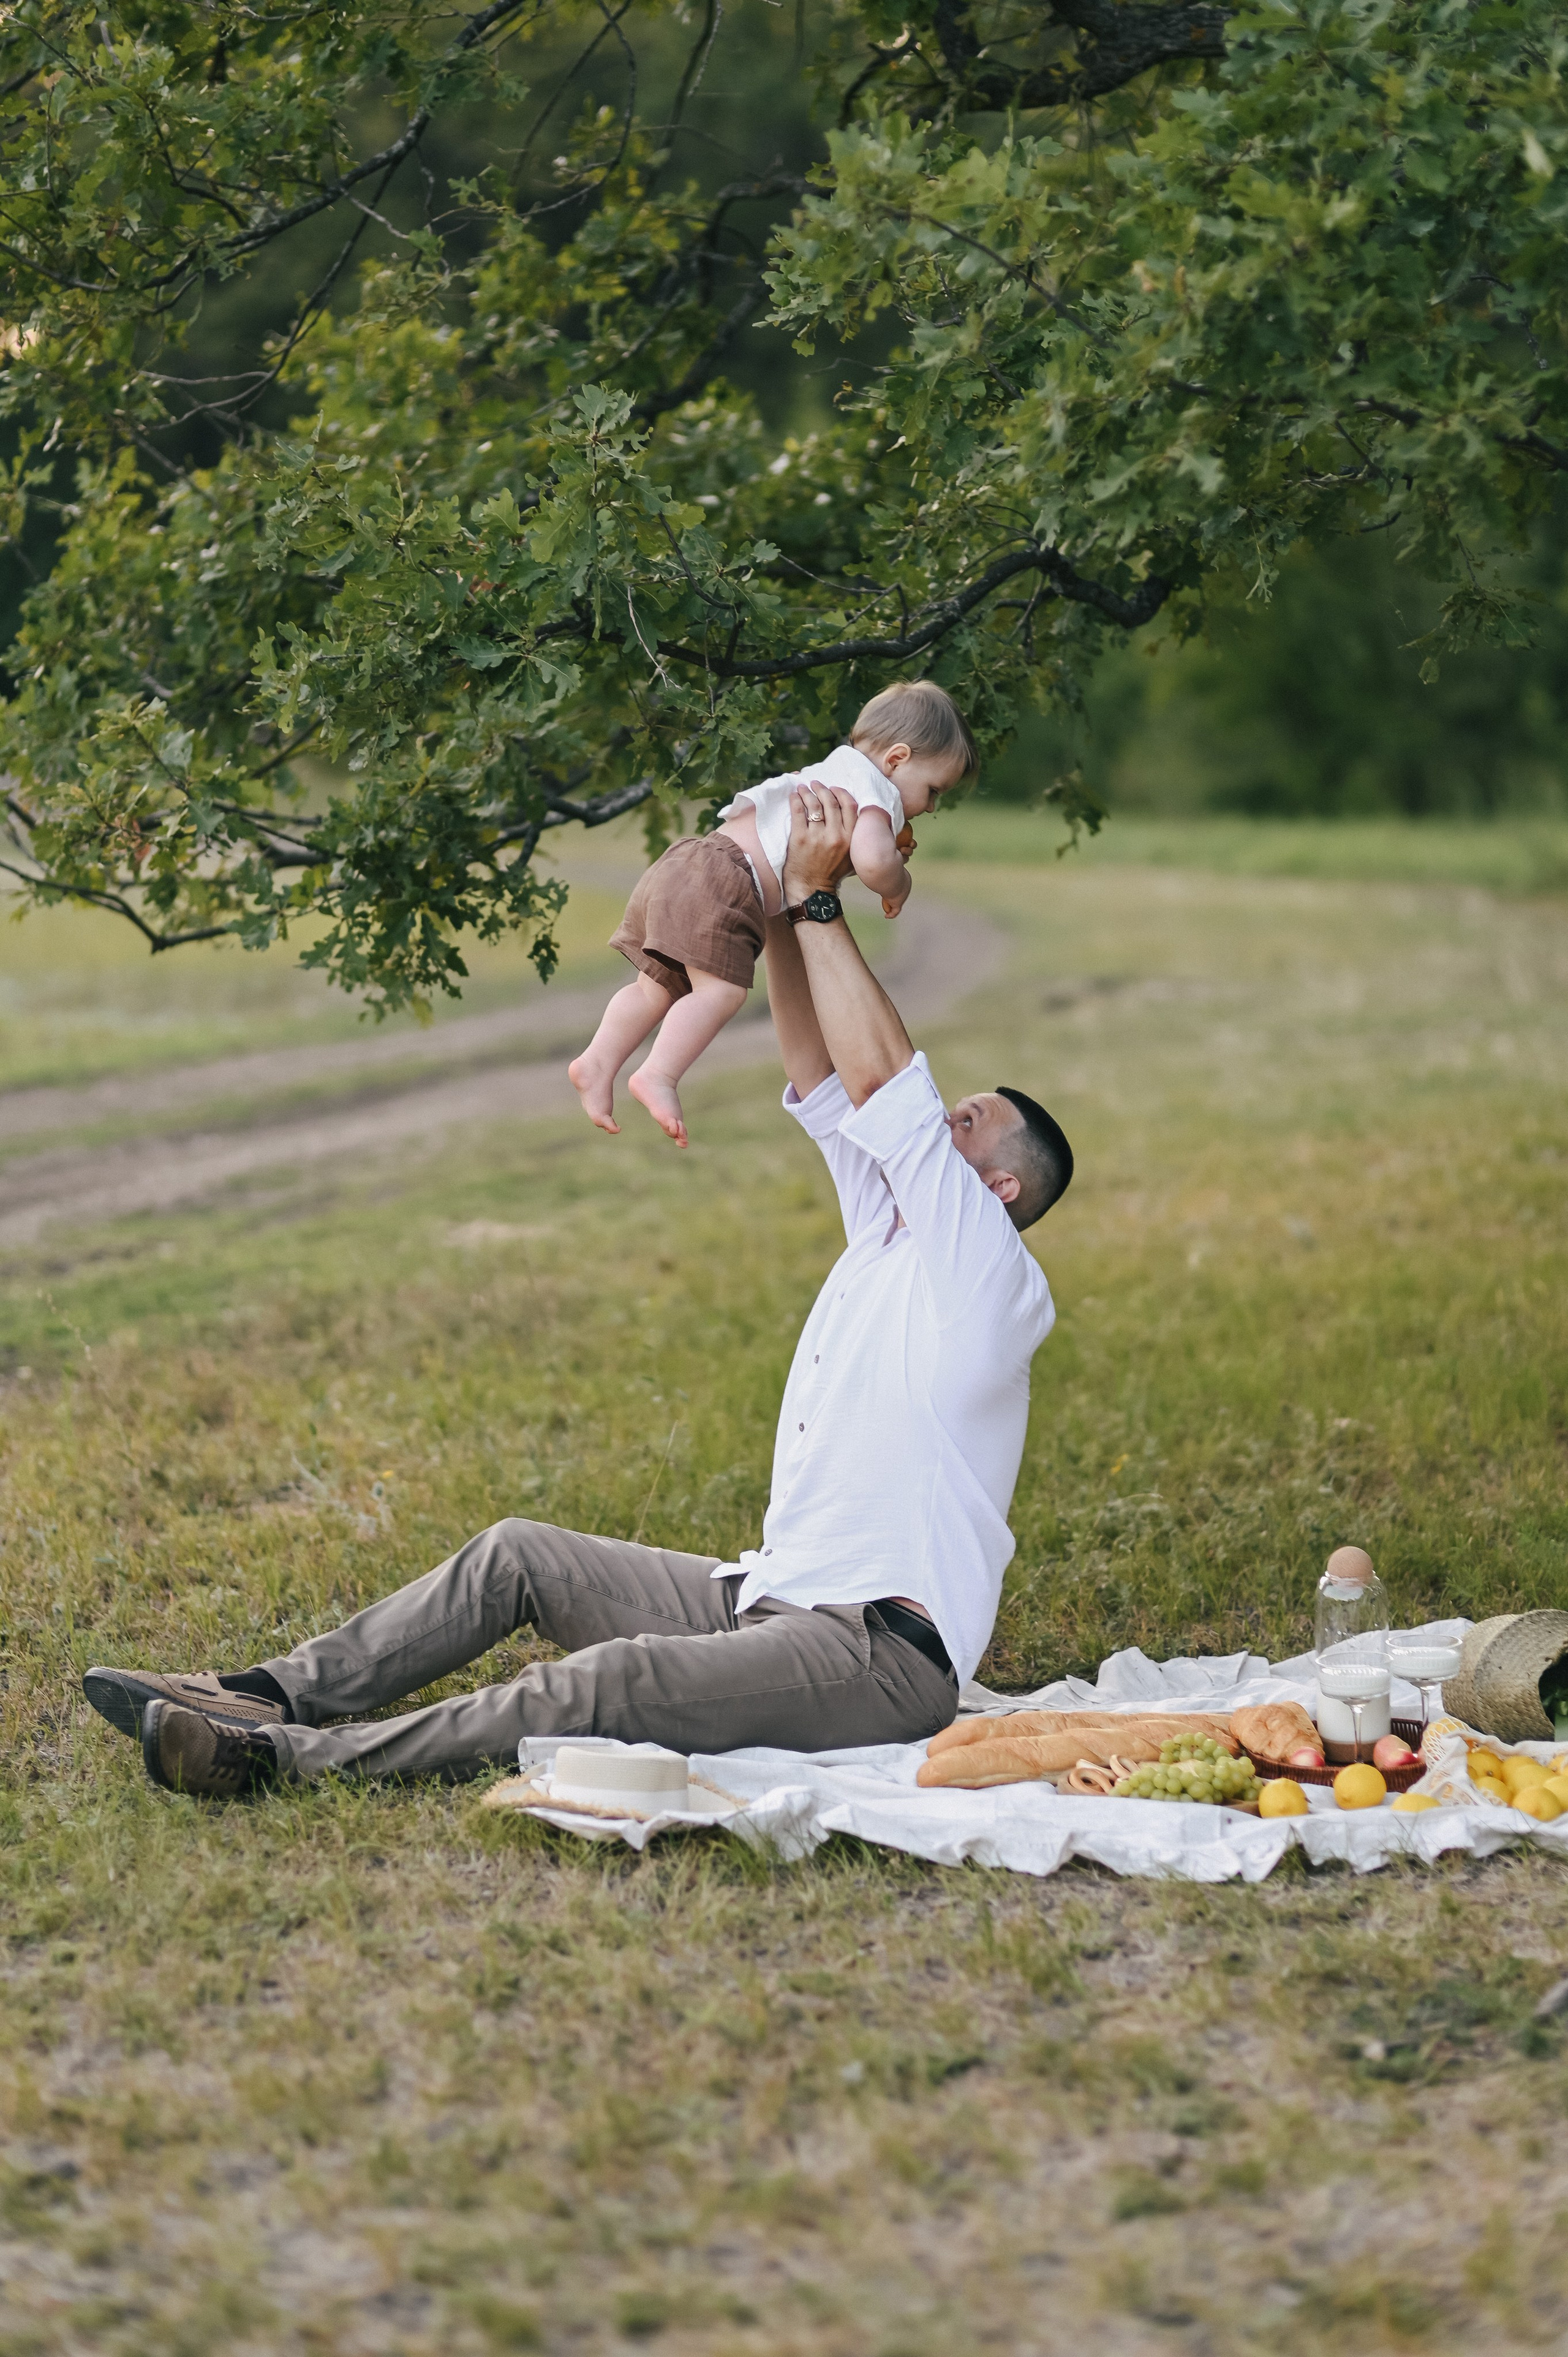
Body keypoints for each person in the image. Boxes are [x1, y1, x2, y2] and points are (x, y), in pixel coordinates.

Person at [82, 779, 1072, 1800]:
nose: (942, 1117)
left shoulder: (990, 1273)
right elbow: (826, 1076)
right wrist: (771, 897)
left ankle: (288, 1764)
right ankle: (265, 1693)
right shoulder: (890, 1234)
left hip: (879, 1656)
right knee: (517, 1555)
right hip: (764, 1597)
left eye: (969, 1118)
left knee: (611, 1680)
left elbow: (887, 1088)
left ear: (1000, 1187)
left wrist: (824, 903)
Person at [568, 679, 976, 1147]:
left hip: (691, 858)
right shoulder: (875, 792)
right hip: (728, 880)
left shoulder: (834, 768)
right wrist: (899, 882)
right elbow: (873, 861)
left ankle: (597, 1061)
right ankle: (659, 1074)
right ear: (897, 759)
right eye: (933, 790)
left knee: (654, 988)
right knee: (721, 995)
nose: (930, 807)